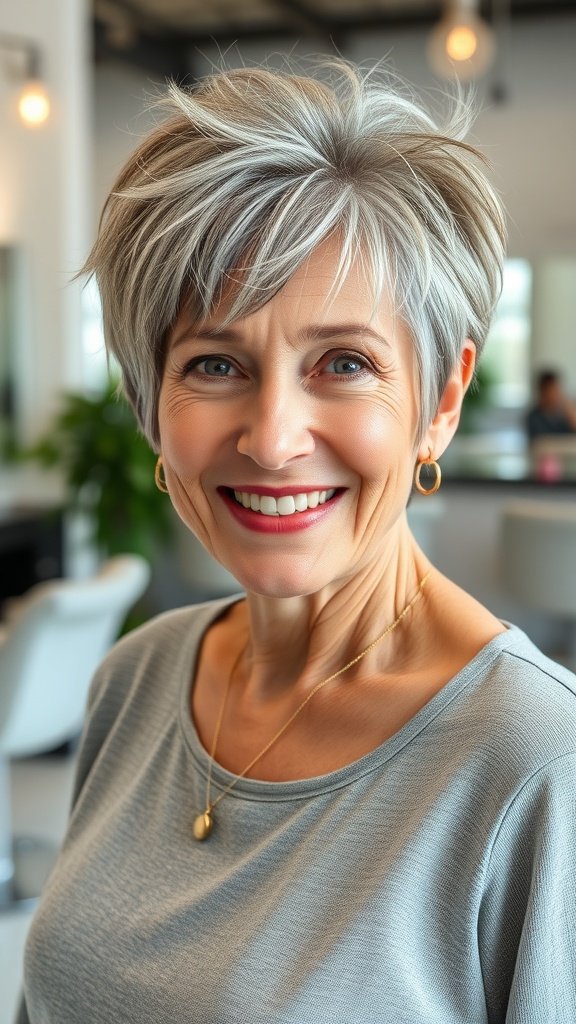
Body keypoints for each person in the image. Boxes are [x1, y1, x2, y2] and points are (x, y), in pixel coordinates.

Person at [18, 62, 575, 1023]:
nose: (272, 438)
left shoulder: (540, 764)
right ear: (153, 406)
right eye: (215, 363)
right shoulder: (135, 677)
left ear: (440, 402)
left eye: (345, 363)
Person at [526, 367, 576, 441]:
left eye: (556, 389)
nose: (554, 394)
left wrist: (569, 409)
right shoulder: (534, 417)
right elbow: (540, 441)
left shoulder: (564, 413)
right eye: (550, 390)